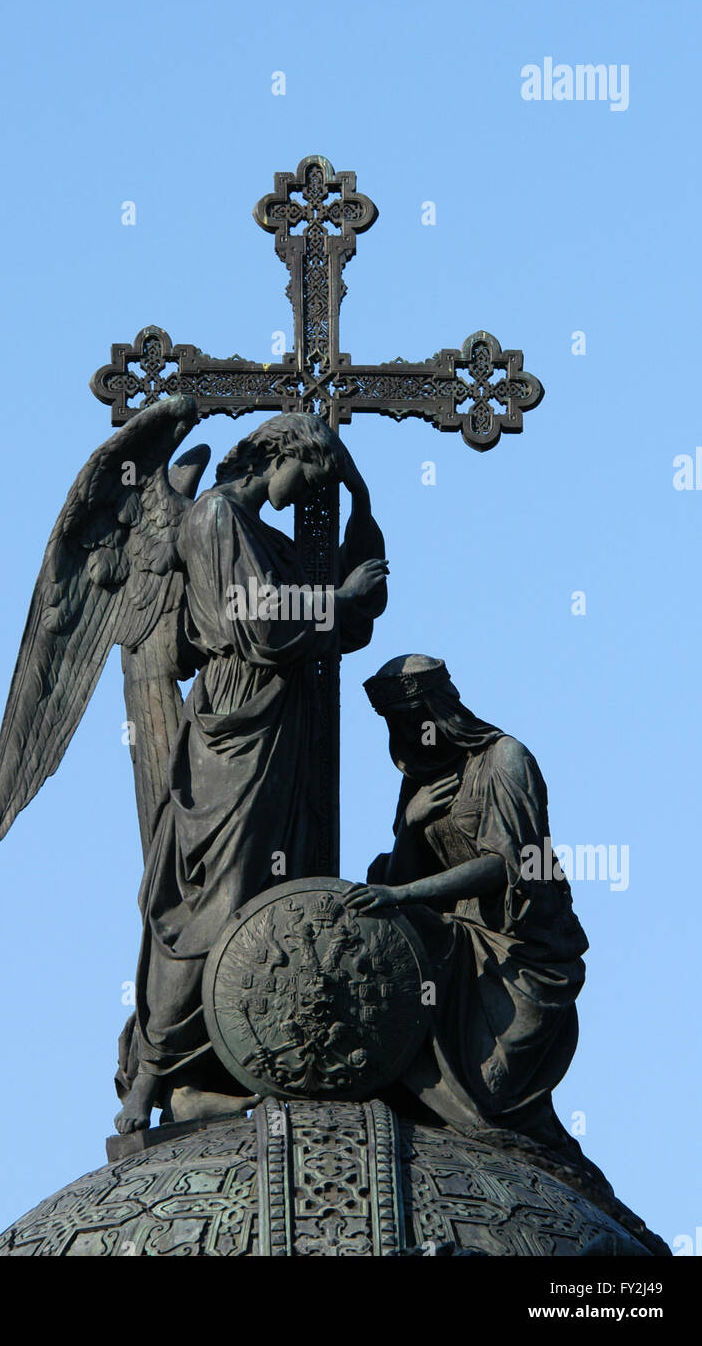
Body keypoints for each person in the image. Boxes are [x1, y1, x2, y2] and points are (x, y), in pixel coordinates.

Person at [115, 413, 387, 1131]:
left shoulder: (262, 533)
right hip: (237, 737)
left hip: (281, 730)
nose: (307, 498)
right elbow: (262, 627)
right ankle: (151, 1080)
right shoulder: (214, 517)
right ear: (279, 454)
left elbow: (357, 619)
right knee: (215, 899)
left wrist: (358, 501)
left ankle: (225, 1068)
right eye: (310, 478)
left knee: (270, 891)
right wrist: (340, 599)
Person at [346, 654, 601, 1178]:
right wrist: (409, 829)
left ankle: (516, 1134)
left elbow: (505, 865)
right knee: (381, 927)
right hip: (454, 937)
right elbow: (393, 881)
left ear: (440, 712)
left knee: (497, 1089)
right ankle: (399, 1083)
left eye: (412, 719)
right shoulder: (419, 780)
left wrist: (404, 896)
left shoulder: (505, 758)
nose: (405, 733)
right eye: (394, 725)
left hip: (521, 948)